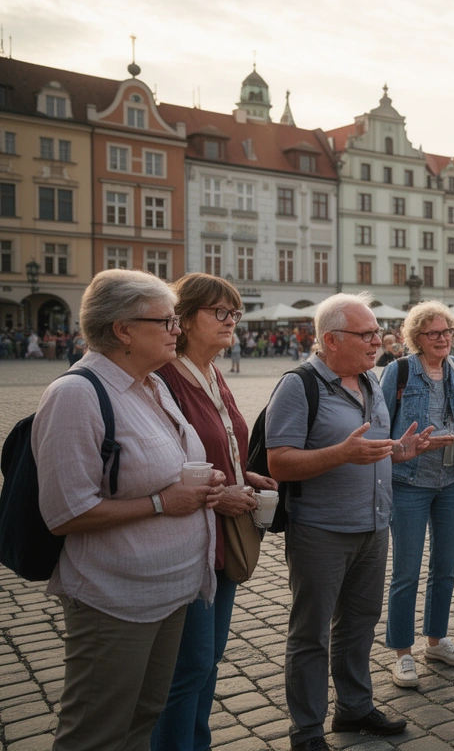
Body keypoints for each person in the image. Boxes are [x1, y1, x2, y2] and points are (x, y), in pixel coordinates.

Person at [35, 269, 224, 751]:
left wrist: (206, 482)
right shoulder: (76, 395)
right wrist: (164, 502)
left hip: (171, 589)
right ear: (122, 330)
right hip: (115, 597)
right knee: (96, 732)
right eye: (165, 322)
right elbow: (66, 512)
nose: (176, 330)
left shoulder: (153, 385)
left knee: (144, 716)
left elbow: (173, 463)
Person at [267, 293, 431, 750]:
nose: (378, 340)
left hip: (375, 525)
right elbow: (279, 462)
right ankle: (306, 731)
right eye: (367, 334)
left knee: (360, 623)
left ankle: (354, 707)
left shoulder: (369, 380)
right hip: (320, 530)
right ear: (330, 340)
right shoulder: (299, 385)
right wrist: (340, 454)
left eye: (378, 331)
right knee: (311, 633)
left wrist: (400, 450)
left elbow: (370, 446)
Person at [151, 274, 278, 751]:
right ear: (182, 320)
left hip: (223, 537)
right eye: (219, 313)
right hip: (187, 541)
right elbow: (156, 467)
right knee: (188, 667)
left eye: (235, 313)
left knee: (208, 661)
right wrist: (217, 495)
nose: (231, 322)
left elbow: (216, 446)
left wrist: (245, 475)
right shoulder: (164, 376)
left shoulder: (213, 372)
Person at [379, 302, 454, 688]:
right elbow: (381, 424)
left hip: (452, 478)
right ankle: (403, 652)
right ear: (416, 338)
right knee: (405, 572)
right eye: (434, 334)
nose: (442, 339)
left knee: (446, 567)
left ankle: (436, 640)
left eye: (447, 332)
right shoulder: (398, 371)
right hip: (409, 482)